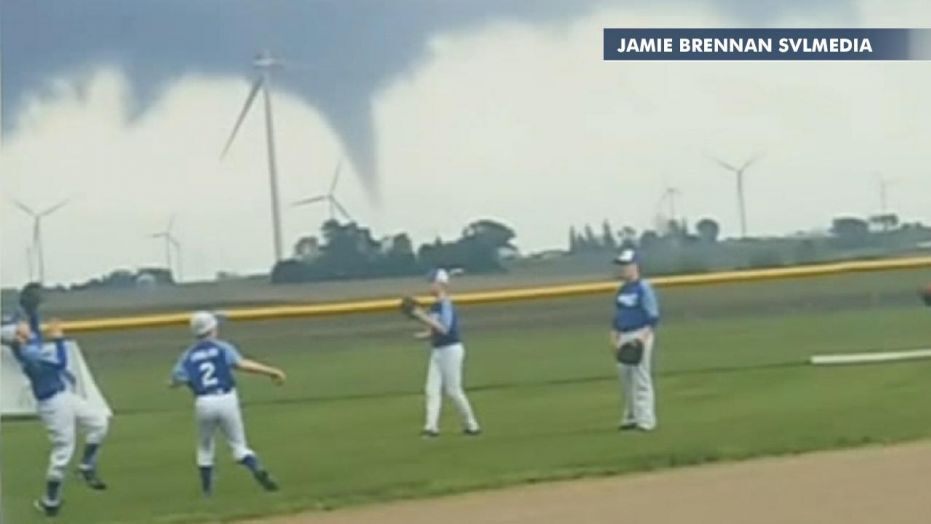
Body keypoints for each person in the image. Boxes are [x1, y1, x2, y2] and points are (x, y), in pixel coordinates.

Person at [170, 311, 286, 495]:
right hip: (227, 398)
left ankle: (207, 492)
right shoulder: (222, 348)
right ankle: (256, 469)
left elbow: (177, 380)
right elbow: (242, 364)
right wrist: (271, 371)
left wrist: (186, 382)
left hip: (204, 401)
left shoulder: (188, 356)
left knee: (205, 448)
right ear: (212, 329)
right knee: (239, 445)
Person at [5, 320, 110, 517]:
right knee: (63, 451)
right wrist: (59, 338)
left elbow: (33, 328)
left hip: (63, 396)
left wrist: (34, 313)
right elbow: (61, 361)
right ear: (18, 336)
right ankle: (50, 501)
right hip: (53, 404)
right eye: (22, 327)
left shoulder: (29, 346)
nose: (26, 326)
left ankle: (86, 466)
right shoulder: (28, 353)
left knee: (99, 422)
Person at [408, 269, 481, 437]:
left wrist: (420, 315)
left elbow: (444, 328)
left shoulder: (445, 304)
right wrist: (421, 335)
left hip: (451, 350)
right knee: (431, 389)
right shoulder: (435, 306)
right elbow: (434, 330)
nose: (429, 286)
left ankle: (472, 425)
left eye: (432, 282)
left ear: (441, 284)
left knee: (453, 390)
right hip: (438, 350)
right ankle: (431, 427)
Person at [610, 248, 660, 432]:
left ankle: (646, 419)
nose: (623, 269)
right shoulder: (622, 290)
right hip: (623, 334)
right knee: (625, 377)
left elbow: (653, 316)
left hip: (640, 333)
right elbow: (618, 316)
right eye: (622, 265)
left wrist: (642, 339)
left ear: (636, 266)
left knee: (641, 377)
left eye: (627, 265)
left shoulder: (644, 288)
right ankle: (631, 416)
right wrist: (614, 337)